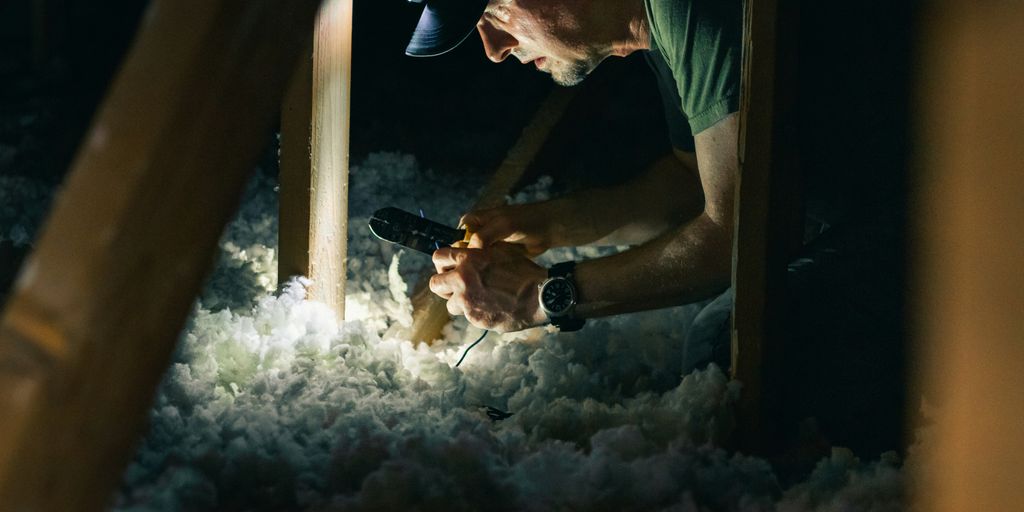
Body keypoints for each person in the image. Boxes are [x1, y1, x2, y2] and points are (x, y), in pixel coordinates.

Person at [407, 0, 742, 349]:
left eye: (496, 11)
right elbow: (693, 184)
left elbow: (737, 240)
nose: (494, 49)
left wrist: (537, 297)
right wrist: (550, 225)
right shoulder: (659, 26)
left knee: (711, 345)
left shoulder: (690, 10)